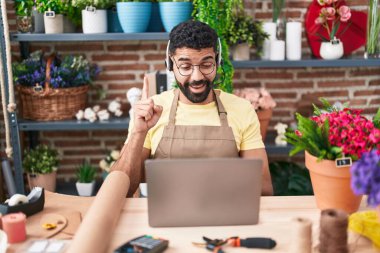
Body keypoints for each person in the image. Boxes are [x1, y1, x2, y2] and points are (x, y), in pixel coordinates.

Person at [112, 20, 273, 196]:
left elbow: (263, 190)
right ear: (170, 65)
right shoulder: (151, 111)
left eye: (206, 64)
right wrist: (138, 132)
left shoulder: (242, 109)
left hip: (226, 218)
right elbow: (120, 191)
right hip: (164, 220)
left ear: (217, 62)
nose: (197, 77)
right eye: (185, 66)